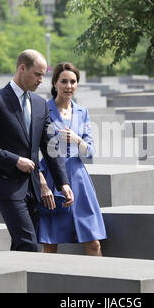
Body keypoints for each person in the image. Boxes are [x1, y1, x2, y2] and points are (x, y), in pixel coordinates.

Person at [0, 49, 74, 252]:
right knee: (28, 243)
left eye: (43, 75)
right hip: (6, 184)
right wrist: (14, 160)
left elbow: (49, 145)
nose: (41, 80)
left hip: (33, 186)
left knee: (24, 243)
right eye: (37, 74)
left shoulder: (39, 104)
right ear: (22, 69)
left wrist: (63, 182)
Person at [37, 62, 107, 256]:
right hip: (52, 180)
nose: (69, 86)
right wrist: (42, 183)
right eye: (64, 81)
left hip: (79, 180)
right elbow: (32, 149)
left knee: (94, 243)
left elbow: (90, 152)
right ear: (55, 83)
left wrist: (76, 139)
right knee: (50, 244)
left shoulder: (82, 112)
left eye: (73, 82)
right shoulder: (42, 109)